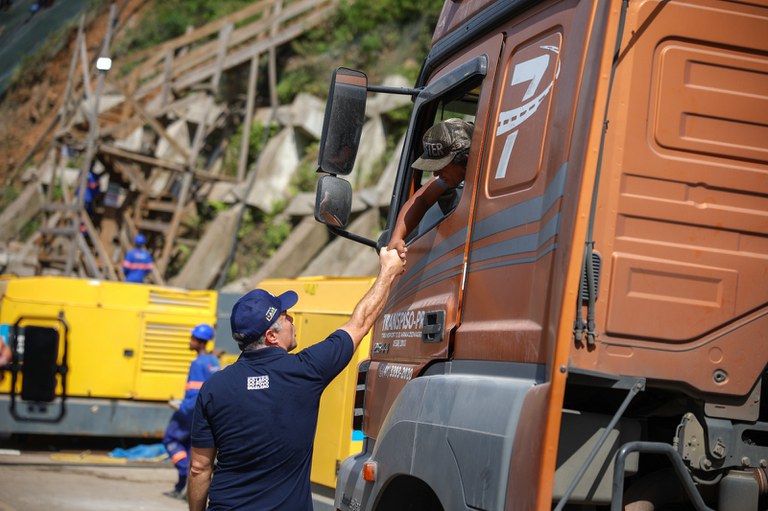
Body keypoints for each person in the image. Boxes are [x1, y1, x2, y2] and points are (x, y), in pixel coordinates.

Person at [188, 247, 405, 511]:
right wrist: (388, 271)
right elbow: (359, 323)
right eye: (285, 315)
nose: (292, 318)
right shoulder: (305, 370)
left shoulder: (214, 387)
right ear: (271, 336)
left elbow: (199, 468)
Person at [387, 118, 473, 259]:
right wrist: (397, 238)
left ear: (466, 160)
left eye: (441, 167)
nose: (436, 174)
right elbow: (422, 200)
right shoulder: (452, 176)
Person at [163, 324, 220, 500]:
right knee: (190, 446)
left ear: (200, 342)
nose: (190, 342)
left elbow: (195, 393)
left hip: (189, 412)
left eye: (192, 339)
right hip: (204, 413)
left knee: (171, 439)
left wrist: (181, 407)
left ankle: (186, 472)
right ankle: (181, 486)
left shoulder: (198, 363)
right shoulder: (213, 361)